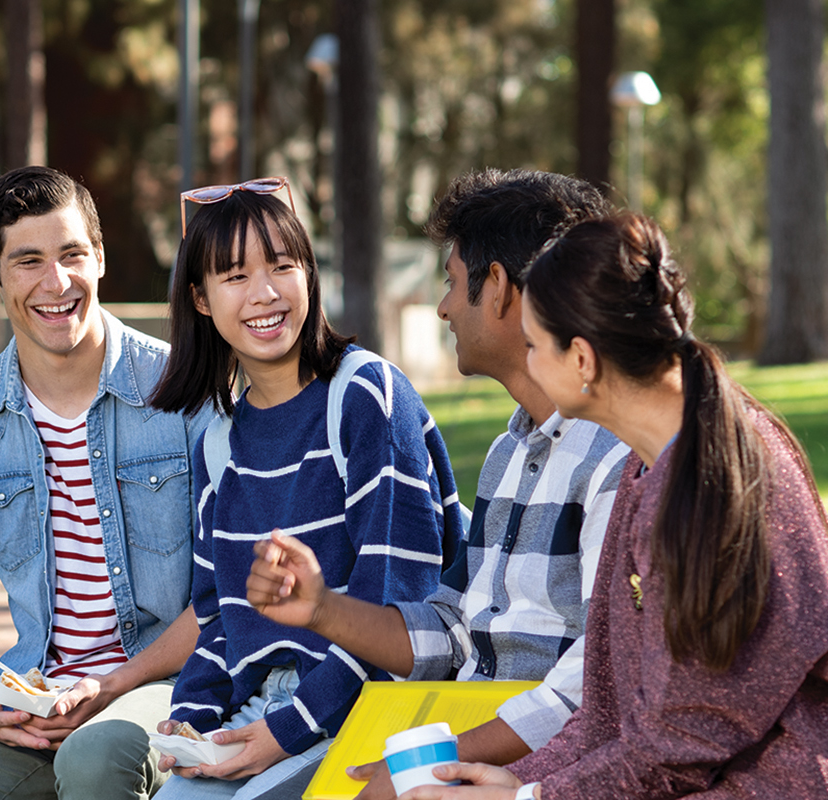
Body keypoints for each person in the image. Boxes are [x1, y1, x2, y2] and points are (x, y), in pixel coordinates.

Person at [393, 214, 828, 799]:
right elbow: (605, 709)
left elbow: (678, 747)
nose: (531, 366)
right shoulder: (646, 466)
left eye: (534, 346)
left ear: (582, 361)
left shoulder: (711, 485)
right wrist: (520, 779)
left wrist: (530, 797)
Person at [246, 169, 631, 799]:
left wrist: (425, 766)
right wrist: (320, 608)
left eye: (453, 282)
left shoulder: (615, 456)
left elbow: (595, 683)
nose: (443, 306)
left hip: (537, 766)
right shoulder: (510, 450)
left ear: (500, 288)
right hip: (457, 732)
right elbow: (453, 630)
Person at [145, 178, 464, 800]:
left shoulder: (365, 395)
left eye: (283, 266)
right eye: (235, 276)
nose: (265, 293)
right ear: (201, 300)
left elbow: (400, 610)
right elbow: (219, 619)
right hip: (265, 711)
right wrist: (194, 718)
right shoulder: (218, 439)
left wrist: (285, 731)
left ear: (309, 276)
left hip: (370, 707)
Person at [0, 166, 208, 800]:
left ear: (99, 257)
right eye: (27, 261)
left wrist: (112, 685)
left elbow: (225, 594)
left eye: (73, 254)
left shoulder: (185, 396)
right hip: (36, 698)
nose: (57, 283)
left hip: (168, 685)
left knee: (97, 762)